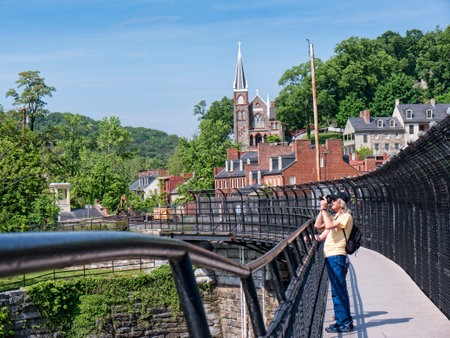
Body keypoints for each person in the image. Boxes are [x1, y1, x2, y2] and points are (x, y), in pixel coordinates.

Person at [314, 191, 354, 333]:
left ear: (341, 204)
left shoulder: (346, 217)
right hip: (331, 257)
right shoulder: (334, 217)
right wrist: (322, 210)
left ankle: (343, 323)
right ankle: (345, 321)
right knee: (338, 290)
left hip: (337, 256)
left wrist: (325, 210)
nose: (331, 203)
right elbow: (318, 226)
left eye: (334, 201)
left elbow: (329, 226)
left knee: (338, 290)